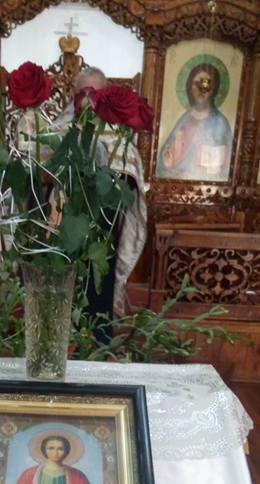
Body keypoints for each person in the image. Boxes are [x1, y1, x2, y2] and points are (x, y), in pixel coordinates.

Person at [58, 67, 148, 325]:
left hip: (104, 230)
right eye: (82, 93)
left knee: (98, 291)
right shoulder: (59, 129)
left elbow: (130, 183)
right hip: (64, 228)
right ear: (73, 95)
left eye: (94, 93)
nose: (88, 100)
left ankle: (98, 339)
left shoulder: (120, 138)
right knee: (64, 293)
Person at [157, 62, 233, 181]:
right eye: (197, 84)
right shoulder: (184, 118)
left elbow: (225, 167)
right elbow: (164, 160)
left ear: (214, 90)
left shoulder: (220, 123)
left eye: (206, 84)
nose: (201, 90)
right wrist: (167, 157)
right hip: (175, 182)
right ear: (190, 88)